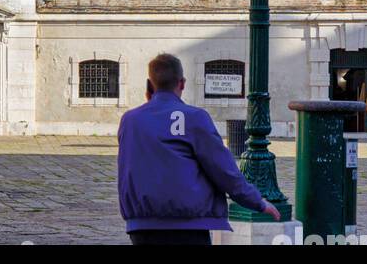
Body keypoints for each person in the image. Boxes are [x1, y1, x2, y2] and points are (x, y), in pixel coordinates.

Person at [117, 52, 279, 245]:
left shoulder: (130, 120)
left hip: (142, 226)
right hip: (188, 224)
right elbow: (223, 169)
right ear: (182, 83)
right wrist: (257, 202)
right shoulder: (194, 117)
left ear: (150, 84)